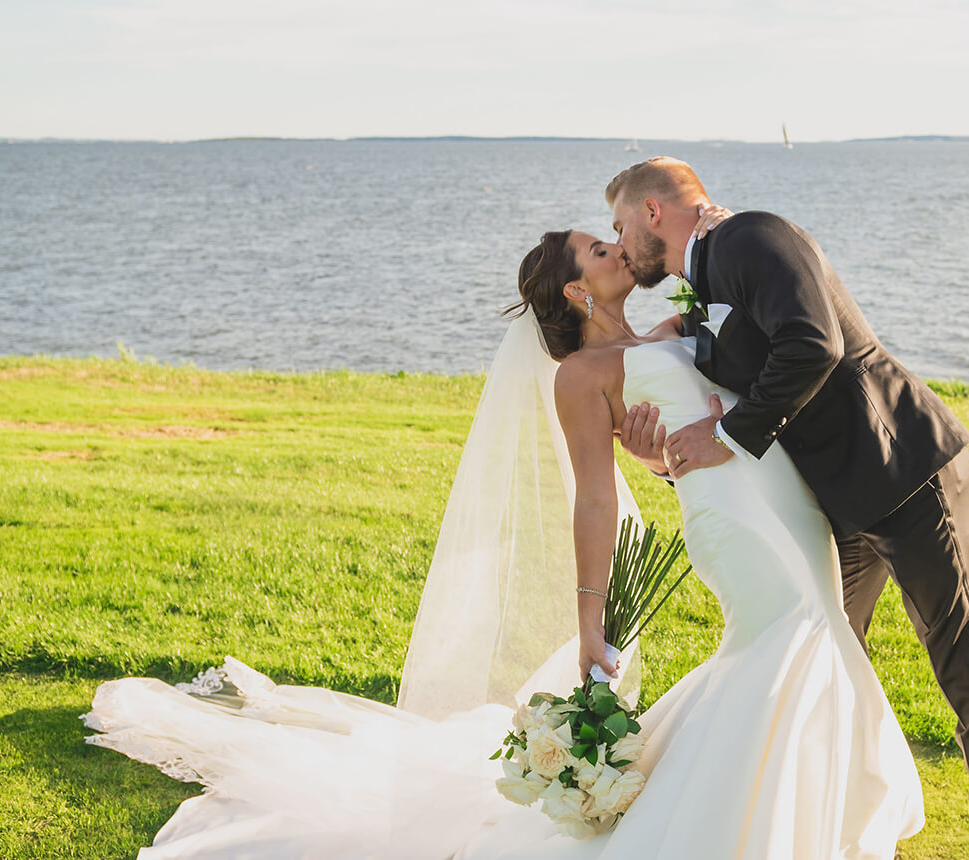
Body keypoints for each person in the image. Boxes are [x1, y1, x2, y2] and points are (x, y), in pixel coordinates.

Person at [81, 205, 926, 858]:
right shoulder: (581, 377)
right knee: (793, 640)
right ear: (574, 290)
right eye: (601, 252)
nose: (619, 254)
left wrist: (666, 457)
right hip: (736, 531)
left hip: (778, 505)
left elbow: (723, 407)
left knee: (804, 640)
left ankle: (781, 815)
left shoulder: (676, 333)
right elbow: (593, 499)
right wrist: (590, 621)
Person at [606, 157, 969, 859]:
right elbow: (742, 393)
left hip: (906, 474)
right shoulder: (702, 288)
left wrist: (725, 436)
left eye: (619, 224)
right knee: (823, 663)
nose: (619, 244)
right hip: (838, 507)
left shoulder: (750, 237)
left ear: (654, 211)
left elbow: (814, 343)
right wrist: (666, 448)